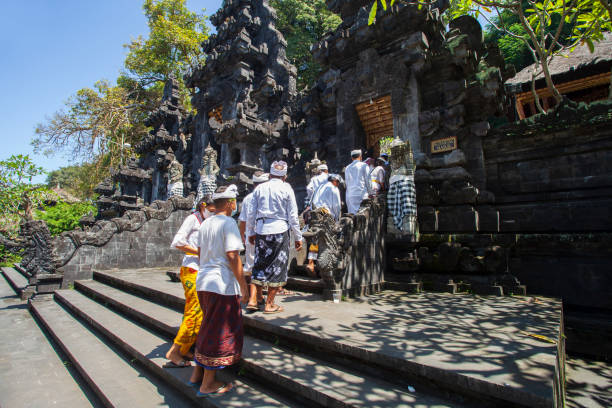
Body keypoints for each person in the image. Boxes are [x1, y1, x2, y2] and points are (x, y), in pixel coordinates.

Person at [189, 184, 248, 397]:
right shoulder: (228, 222)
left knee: (207, 327)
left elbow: (199, 252)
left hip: (203, 281)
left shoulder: (205, 223)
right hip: (221, 285)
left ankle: (196, 375)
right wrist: (243, 287)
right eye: (235, 201)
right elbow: (233, 256)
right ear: (231, 203)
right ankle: (208, 383)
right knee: (218, 332)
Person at [165, 197, 215, 368]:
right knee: (194, 313)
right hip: (191, 270)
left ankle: (185, 348)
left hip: (201, 271)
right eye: (212, 209)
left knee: (197, 313)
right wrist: (199, 252)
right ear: (203, 206)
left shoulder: (206, 221)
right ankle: (173, 352)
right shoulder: (192, 219)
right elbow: (178, 242)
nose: (214, 213)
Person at [246, 161, 303, 313]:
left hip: (261, 229)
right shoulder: (286, 188)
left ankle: (253, 299)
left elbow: (252, 213)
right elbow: (293, 215)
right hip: (279, 229)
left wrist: (250, 233)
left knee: (259, 263)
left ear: (270, 175)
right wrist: (298, 237)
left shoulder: (260, 188)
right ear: (284, 176)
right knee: (277, 266)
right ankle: (269, 304)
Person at [238, 171, 269, 312]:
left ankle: (257, 296)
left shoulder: (248, 198)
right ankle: (252, 299)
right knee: (259, 267)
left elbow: (242, 220)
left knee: (251, 266)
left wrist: (242, 235)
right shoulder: (267, 196)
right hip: (264, 235)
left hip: (250, 236)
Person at [344, 149, 372, 214]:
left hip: (351, 195)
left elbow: (347, 183)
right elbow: (368, 181)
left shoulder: (347, 168)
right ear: (360, 157)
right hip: (362, 194)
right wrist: (371, 193)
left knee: (352, 216)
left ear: (352, 158)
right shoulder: (364, 165)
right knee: (363, 216)